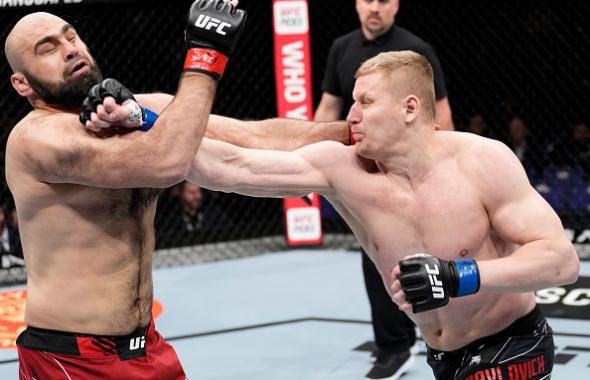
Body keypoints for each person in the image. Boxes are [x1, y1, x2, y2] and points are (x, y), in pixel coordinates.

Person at [181, 51, 577, 380]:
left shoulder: (481, 161)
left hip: (510, 345)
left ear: (409, 108)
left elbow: (561, 262)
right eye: (353, 101)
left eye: (366, 102)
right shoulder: (341, 168)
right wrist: (148, 127)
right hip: (441, 353)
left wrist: (459, 275)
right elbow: (234, 168)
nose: (351, 115)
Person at [3, 1, 247, 378]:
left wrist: (351, 136)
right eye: (48, 48)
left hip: (147, 345)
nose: (69, 48)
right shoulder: (35, 138)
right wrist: (206, 53)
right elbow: (170, 161)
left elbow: (252, 135)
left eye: (71, 35)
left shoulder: (130, 112)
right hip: (72, 360)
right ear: (21, 83)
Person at [314, 1, 454, 378]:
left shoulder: (415, 51)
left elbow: (440, 113)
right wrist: (309, 162)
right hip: (365, 169)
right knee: (375, 253)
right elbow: (328, 110)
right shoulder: (342, 48)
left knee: (433, 251)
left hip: (411, 170)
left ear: (396, 5)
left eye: (383, 0)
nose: (374, 7)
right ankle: (394, 346)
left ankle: (451, 334)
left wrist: (443, 173)